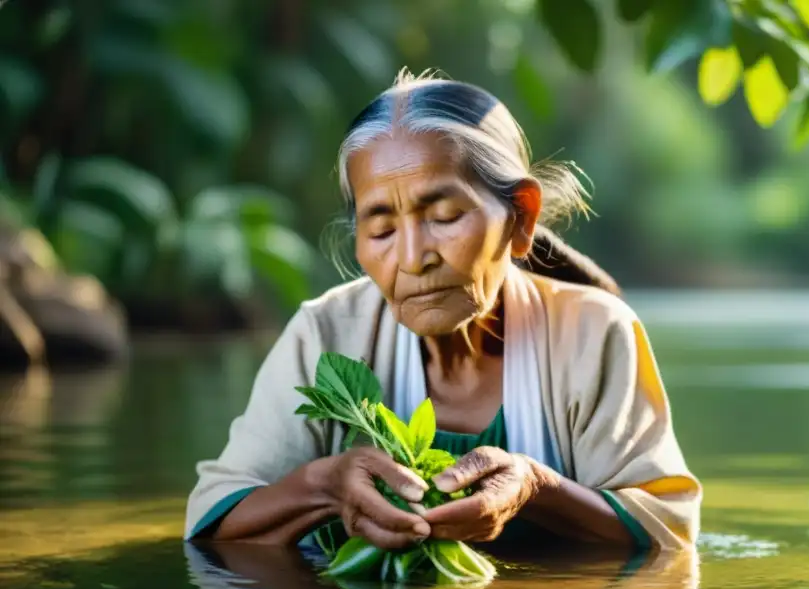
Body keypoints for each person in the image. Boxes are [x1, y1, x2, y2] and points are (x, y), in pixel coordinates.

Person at [184, 70, 701, 552]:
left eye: (445, 216)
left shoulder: (592, 331)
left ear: (520, 218)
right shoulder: (325, 334)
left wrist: (538, 490)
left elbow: (667, 528)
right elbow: (213, 518)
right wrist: (325, 485)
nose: (412, 258)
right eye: (382, 229)